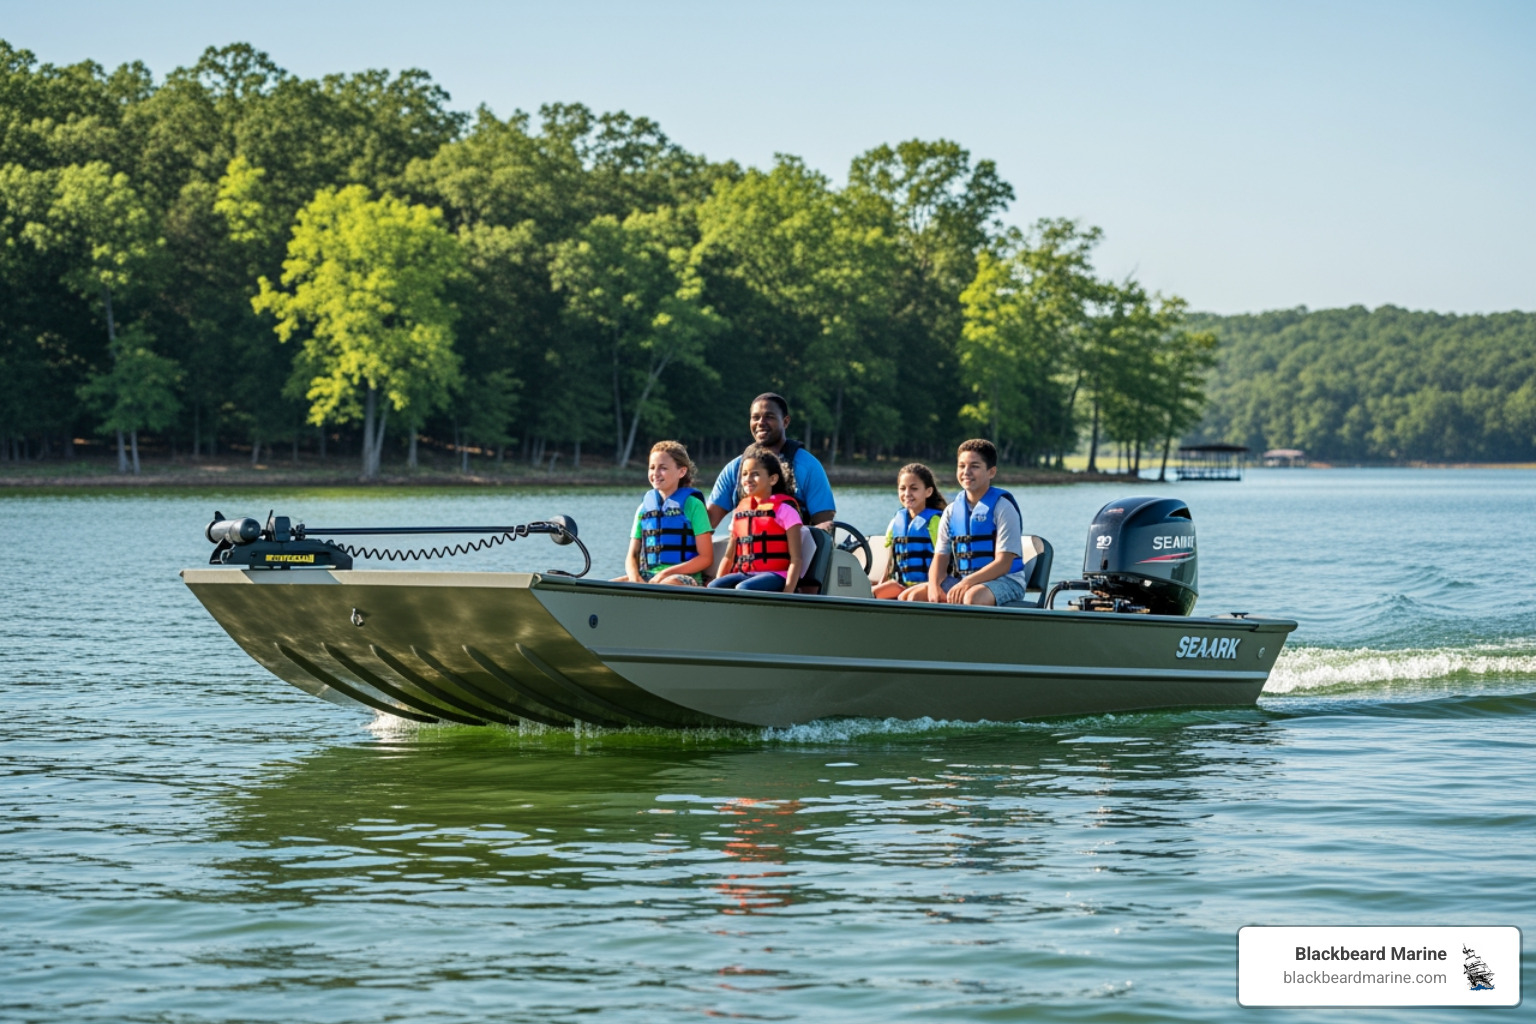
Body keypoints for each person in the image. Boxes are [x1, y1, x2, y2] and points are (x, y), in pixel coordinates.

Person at [900, 439, 1032, 607]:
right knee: (912, 596)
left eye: (974, 466)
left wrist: (966, 583)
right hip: (964, 579)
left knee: (972, 597)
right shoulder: (951, 511)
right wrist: (934, 587)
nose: (966, 472)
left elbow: (1004, 563)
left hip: (1005, 581)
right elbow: (939, 559)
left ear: (991, 472)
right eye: (962, 466)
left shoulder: (1003, 508)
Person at [707, 393, 835, 530]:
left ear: (785, 422)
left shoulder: (808, 466)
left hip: (796, 548)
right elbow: (708, 523)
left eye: (769, 417)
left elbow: (825, 524)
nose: (761, 422)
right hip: (746, 549)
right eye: (755, 417)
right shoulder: (735, 468)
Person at [707, 446, 805, 593]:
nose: (748, 479)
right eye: (744, 474)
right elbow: (728, 557)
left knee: (743, 588)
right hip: (745, 574)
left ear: (773, 479)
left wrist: (788, 593)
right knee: (714, 586)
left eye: (755, 474)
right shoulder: (740, 512)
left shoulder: (786, 511)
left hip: (777, 575)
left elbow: (796, 559)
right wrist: (716, 592)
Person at [616, 441, 713, 585]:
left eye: (663, 468)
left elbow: (706, 558)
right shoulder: (644, 508)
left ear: (681, 471)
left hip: (683, 578)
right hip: (648, 575)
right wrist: (635, 578)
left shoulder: (694, 506)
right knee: (604, 587)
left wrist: (666, 572)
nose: (655, 473)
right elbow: (632, 555)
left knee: (669, 583)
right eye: (652, 467)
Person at [871, 463, 946, 600]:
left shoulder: (936, 521)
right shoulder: (896, 522)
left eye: (914, 488)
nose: (907, 494)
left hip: (932, 584)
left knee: (911, 597)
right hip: (902, 583)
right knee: (870, 593)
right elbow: (890, 562)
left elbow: (944, 559)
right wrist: (882, 584)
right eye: (902, 488)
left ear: (928, 492)